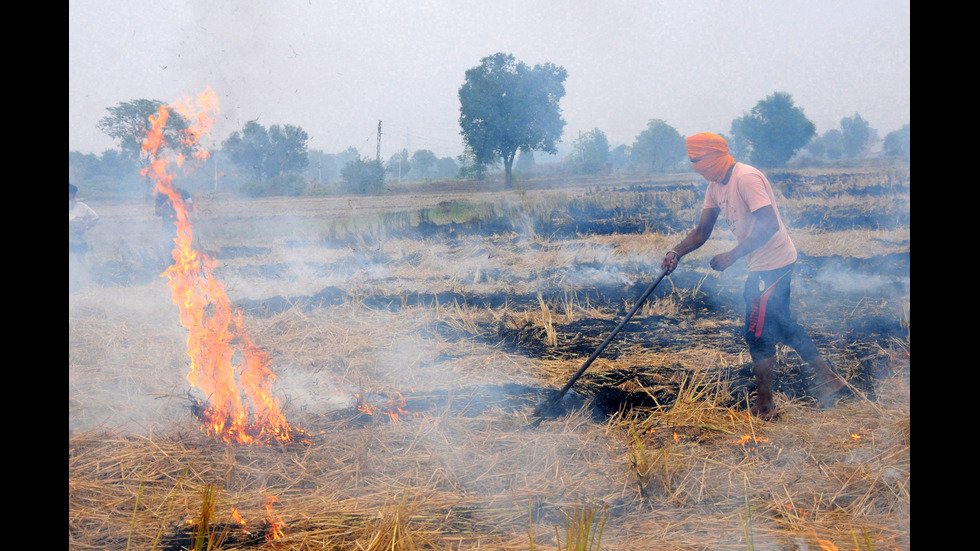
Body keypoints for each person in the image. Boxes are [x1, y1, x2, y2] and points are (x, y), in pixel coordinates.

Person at [661, 133, 846, 418]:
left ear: (713, 156)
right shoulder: (715, 186)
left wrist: (733, 255)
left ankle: (765, 404)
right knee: (782, 326)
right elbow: (702, 231)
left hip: (773, 263)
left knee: (756, 333)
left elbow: (770, 224)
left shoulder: (746, 178)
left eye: (697, 160)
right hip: (762, 264)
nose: (695, 167)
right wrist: (676, 253)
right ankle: (830, 380)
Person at [69, 183, 99, 287]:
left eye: (71, 193)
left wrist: (85, 227)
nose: (70, 196)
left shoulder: (82, 207)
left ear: (74, 194)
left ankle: (84, 281)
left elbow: (95, 218)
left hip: (79, 239)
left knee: (81, 259)